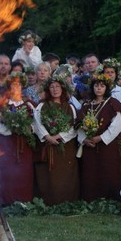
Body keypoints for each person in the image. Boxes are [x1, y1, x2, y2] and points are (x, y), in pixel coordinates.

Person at [76, 73, 121, 201]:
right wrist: (85, 139)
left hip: (107, 145)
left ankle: (110, 198)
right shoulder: (87, 105)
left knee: (108, 170)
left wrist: (101, 138)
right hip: (89, 146)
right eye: (96, 86)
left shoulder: (112, 103)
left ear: (106, 88)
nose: (99, 88)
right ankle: (90, 198)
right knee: (90, 171)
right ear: (92, 88)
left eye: (102, 86)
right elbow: (79, 125)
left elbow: (117, 125)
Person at [32, 69, 79, 205]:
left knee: (65, 174)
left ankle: (66, 202)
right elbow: (37, 122)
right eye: (52, 87)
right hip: (47, 145)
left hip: (65, 147)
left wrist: (59, 136)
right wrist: (47, 136)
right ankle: (48, 201)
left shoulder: (69, 107)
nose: (55, 89)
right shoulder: (42, 105)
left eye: (57, 86)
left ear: (62, 88)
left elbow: (74, 127)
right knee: (47, 174)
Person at [0, 72, 36, 206]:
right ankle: (8, 201)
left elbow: (35, 123)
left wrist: (27, 129)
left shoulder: (29, 104)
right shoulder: (2, 105)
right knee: (7, 172)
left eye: (18, 85)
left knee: (24, 173)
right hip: (7, 145)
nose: (15, 88)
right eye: (13, 85)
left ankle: (24, 201)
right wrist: (11, 130)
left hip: (24, 145)